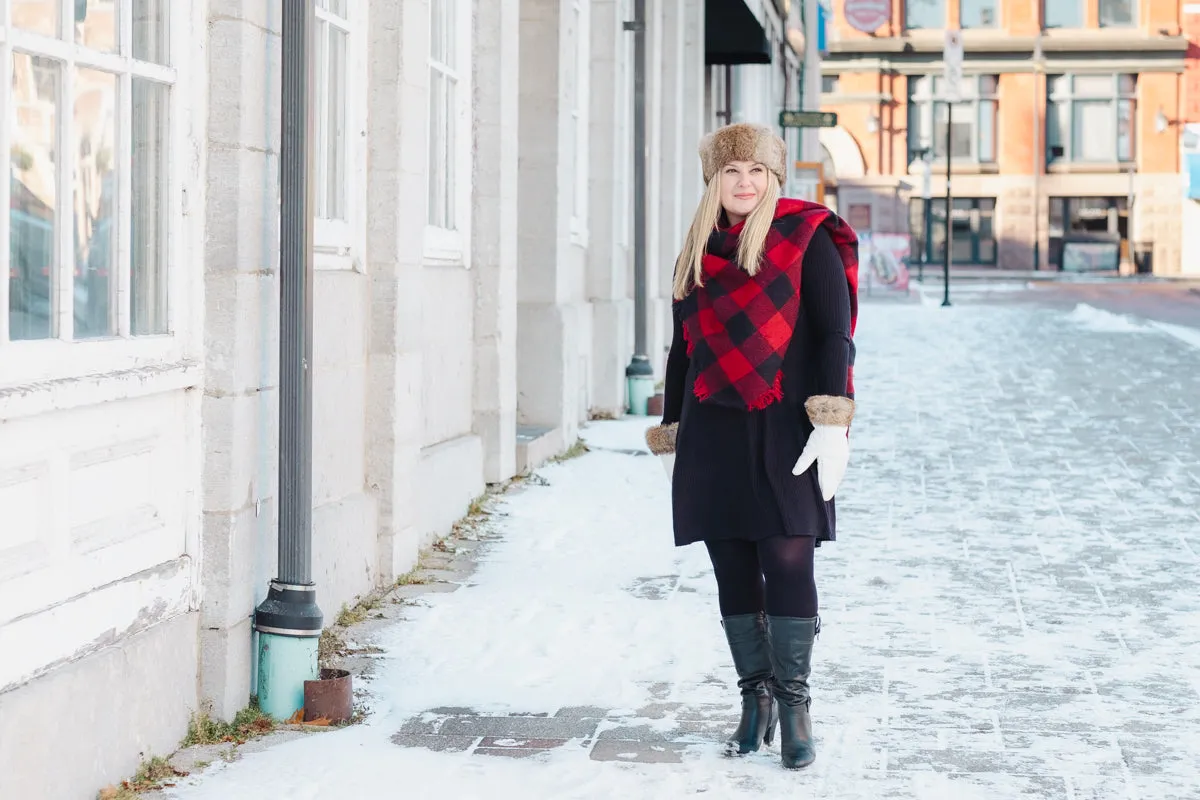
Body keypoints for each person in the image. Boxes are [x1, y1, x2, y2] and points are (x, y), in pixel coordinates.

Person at [644, 123, 858, 770]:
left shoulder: (804, 239)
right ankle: (753, 701)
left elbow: (832, 336)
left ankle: (794, 705)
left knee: (789, 561)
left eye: (757, 172)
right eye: (732, 171)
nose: (745, 182)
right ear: (715, 180)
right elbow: (684, 349)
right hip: (713, 428)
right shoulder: (696, 250)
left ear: (773, 179)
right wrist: (673, 431)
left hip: (789, 428)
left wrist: (830, 420)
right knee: (733, 567)